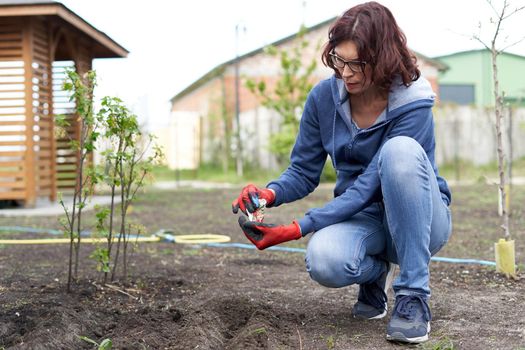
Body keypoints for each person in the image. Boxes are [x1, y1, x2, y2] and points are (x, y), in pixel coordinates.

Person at [232, 1, 452, 344]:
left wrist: (298, 227)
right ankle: (375, 273)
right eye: (338, 59)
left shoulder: (413, 102)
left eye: (357, 64)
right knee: (324, 260)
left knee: (400, 152)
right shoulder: (323, 98)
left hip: (422, 220)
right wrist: (269, 194)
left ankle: (412, 296)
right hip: (363, 220)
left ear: (382, 59)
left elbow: (367, 186)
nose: (345, 72)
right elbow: (304, 171)